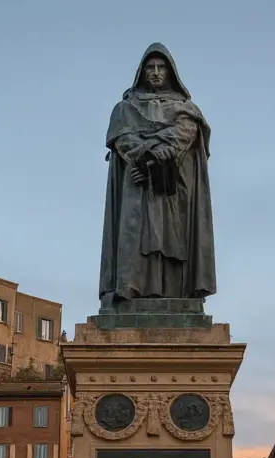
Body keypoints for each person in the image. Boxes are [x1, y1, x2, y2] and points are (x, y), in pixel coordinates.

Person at [99, 43, 216, 305]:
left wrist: (150, 159)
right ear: (141, 72)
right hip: (136, 184)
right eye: (150, 67)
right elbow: (122, 138)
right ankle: (131, 291)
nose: (155, 72)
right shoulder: (124, 108)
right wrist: (143, 159)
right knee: (133, 236)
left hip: (173, 186)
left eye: (161, 67)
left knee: (173, 240)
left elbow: (183, 134)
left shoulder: (187, 109)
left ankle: (176, 295)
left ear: (170, 72)